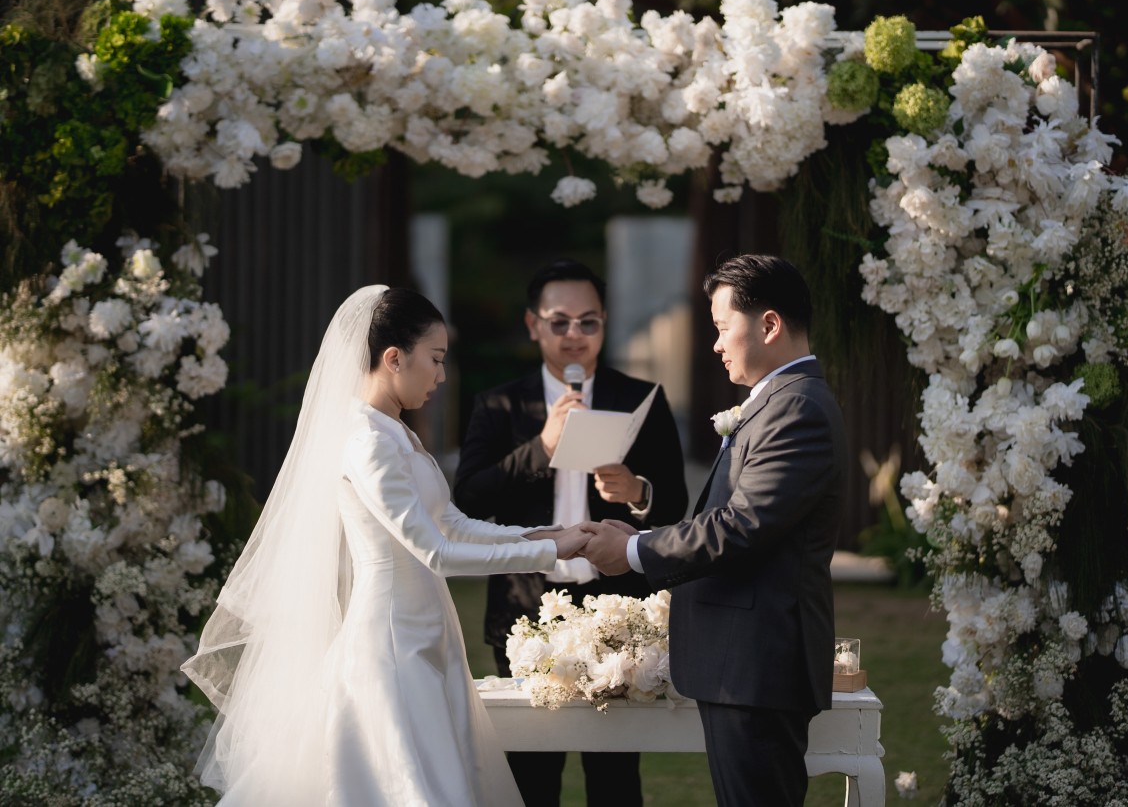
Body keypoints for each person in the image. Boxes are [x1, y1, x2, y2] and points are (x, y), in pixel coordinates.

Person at [181, 285, 590, 806]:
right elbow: (436, 552)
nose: (442, 376)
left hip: (427, 634)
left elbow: (453, 523)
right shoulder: (368, 441)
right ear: (394, 358)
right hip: (393, 645)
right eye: (435, 359)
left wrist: (547, 535)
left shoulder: (396, 432)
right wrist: (551, 554)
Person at [581, 253, 849, 807]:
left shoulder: (797, 407)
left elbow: (742, 525)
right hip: (742, 662)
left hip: (757, 663)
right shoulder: (778, 402)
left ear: (769, 325)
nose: (716, 345)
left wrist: (633, 549)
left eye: (724, 328)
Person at [453, 258, 688, 807]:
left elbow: (676, 503)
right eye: (559, 322)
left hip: (617, 607)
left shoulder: (640, 397)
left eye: (588, 321)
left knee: (615, 774)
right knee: (531, 773)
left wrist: (638, 491)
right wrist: (542, 447)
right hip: (526, 604)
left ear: (605, 321)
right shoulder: (500, 404)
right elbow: (469, 497)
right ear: (533, 324)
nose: (574, 334)